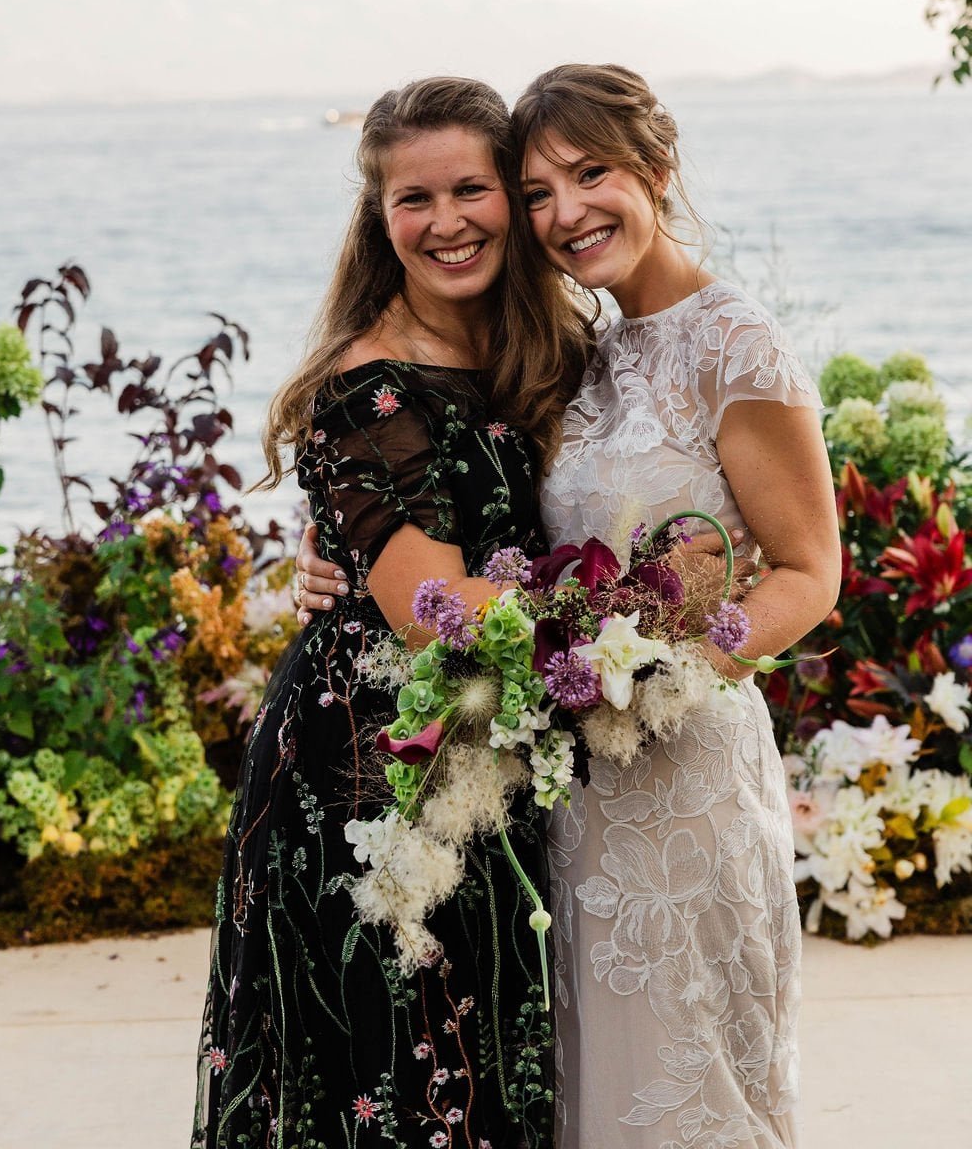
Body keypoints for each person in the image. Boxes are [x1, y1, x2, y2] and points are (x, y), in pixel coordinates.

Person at [298, 63, 841, 1149]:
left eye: (589, 175)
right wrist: (331, 554)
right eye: (536, 193)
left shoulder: (737, 343)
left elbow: (807, 572)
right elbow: (477, 509)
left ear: (655, 166)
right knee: (586, 1087)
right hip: (576, 790)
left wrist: (665, 672)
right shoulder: (578, 349)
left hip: (684, 775)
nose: (564, 214)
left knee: (694, 1082)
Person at [191, 75, 594, 1149]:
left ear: (513, 194)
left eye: (470, 188)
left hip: (485, 744)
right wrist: (628, 606)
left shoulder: (534, 354)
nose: (446, 221)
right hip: (378, 772)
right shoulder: (365, 388)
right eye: (412, 199)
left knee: (476, 1056)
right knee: (397, 1067)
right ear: (378, 217)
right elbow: (430, 608)